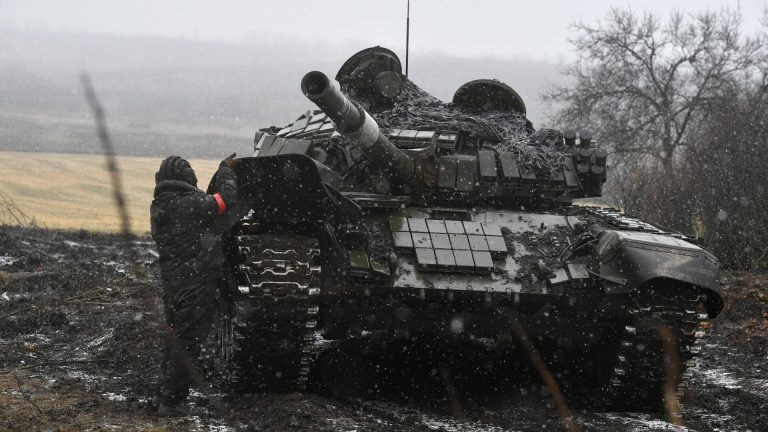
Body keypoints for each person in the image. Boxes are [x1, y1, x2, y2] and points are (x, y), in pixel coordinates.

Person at [150, 154, 238, 415]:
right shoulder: (188, 203)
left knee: (176, 340)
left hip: (174, 285)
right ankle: (172, 402)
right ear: (184, 176)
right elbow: (225, 201)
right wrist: (226, 173)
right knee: (187, 343)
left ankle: (163, 394)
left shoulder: (160, 205)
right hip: (195, 285)